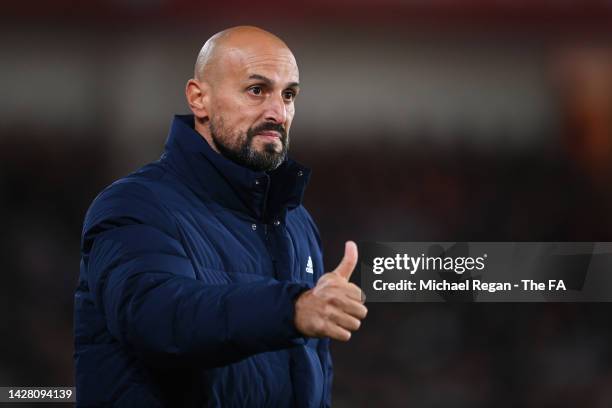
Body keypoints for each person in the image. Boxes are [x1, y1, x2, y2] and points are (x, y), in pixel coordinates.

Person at [74, 26, 368, 407]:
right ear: (200, 99)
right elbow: (157, 319)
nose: (278, 112)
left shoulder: (296, 222)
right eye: (257, 90)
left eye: (289, 94)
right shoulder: (134, 204)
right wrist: (291, 309)